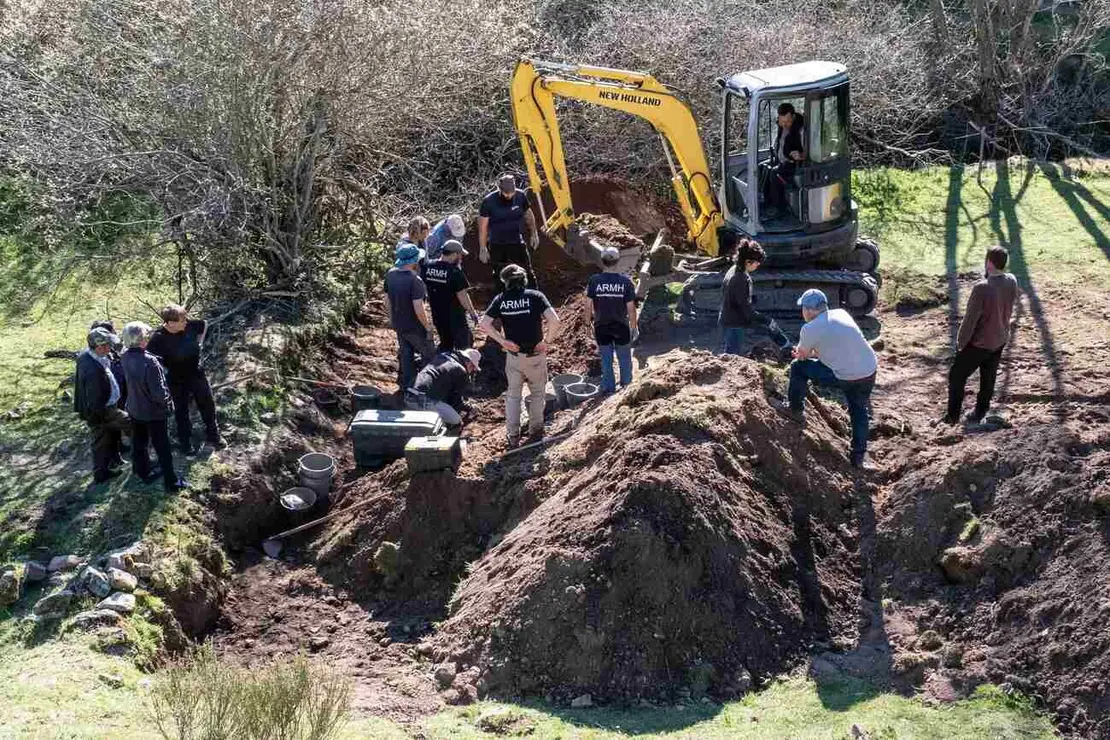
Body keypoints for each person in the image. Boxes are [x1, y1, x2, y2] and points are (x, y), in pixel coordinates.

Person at [782, 289, 877, 468]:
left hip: (846, 376)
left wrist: (800, 353)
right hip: (869, 369)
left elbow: (802, 356)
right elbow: (838, 343)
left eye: (803, 308)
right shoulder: (842, 313)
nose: (802, 312)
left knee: (798, 368)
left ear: (809, 310)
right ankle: (859, 456)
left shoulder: (809, 329)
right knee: (859, 409)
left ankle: (795, 409)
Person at [478, 264, 562, 447]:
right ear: (523, 279)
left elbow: (484, 324)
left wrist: (502, 341)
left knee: (513, 396)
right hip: (535, 356)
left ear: (505, 282)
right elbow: (555, 321)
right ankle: (535, 432)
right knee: (538, 394)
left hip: (513, 357)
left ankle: (513, 435)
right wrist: (546, 342)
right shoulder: (536, 296)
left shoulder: (501, 300)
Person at [943, 245, 1019, 424]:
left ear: (989, 262)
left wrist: (961, 343)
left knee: (956, 376)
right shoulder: (1012, 280)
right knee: (988, 377)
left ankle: (952, 417)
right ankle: (980, 411)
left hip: (980, 343)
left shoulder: (981, 288)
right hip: (1000, 339)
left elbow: (970, 320)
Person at [147, 304, 225, 455]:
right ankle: (186, 443)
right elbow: (150, 358)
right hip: (176, 379)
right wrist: (164, 371)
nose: (186, 322)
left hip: (196, 372)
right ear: (170, 323)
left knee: (207, 404)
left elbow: (204, 324)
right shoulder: (158, 338)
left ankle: (213, 435)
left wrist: (199, 343)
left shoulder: (190, 326)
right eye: (182, 320)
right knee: (181, 412)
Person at [120, 322, 186, 492]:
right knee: (162, 446)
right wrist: (168, 405)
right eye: (146, 336)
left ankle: (142, 471)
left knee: (139, 442)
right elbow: (159, 393)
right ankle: (171, 482)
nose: (148, 339)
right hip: (153, 412)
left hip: (134, 408)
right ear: (141, 339)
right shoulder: (150, 362)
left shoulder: (125, 356)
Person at [75, 327, 130, 484]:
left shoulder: (89, 356)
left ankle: (106, 469)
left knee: (104, 440)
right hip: (102, 411)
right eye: (107, 345)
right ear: (99, 347)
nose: (110, 348)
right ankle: (143, 462)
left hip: (103, 409)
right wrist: (100, 418)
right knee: (134, 425)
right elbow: (94, 398)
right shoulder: (92, 369)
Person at [718, 239, 791, 356]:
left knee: (733, 351)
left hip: (730, 317)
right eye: (757, 262)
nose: (758, 265)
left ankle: (783, 347)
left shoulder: (735, 270)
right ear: (748, 261)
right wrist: (764, 319)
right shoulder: (739, 278)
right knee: (732, 356)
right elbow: (744, 308)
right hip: (733, 322)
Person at [585, 247, 638, 394]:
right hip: (621, 326)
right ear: (617, 261)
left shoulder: (594, 281)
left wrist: (586, 324)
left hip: (601, 326)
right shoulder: (626, 282)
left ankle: (609, 389)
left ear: (602, 261)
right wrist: (634, 327)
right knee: (624, 358)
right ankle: (626, 387)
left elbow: (588, 305)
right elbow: (631, 308)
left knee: (606, 359)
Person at [384, 243, 436, 390]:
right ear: (414, 261)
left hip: (399, 324)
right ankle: (426, 388)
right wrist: (427, 327)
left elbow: (386, 300)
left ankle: (407, 387)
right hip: (415, 326)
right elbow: (418, 308)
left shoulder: (390, 274)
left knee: (406, 356)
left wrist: (392, 318)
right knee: (429, 355)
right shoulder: (415, 281)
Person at [478, 174, 540, 291]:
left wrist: (534, 233)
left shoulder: (520, 196)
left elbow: (528, 215)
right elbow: (483, 226)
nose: (509, 195)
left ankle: (534, 296)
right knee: (500, 275)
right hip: (497, 244)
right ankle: (502, 301)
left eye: (511, 192)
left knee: (527, 270)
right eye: (506, 193)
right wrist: (482, 248)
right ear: (499, 189)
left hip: (516, 241)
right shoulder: (489, 202)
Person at [422, 239, 480, 351]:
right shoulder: (454, 272)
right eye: (460, 255)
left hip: (437, 314)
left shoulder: (428, 267)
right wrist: (472, 313)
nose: (461, 258)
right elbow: (462, 296)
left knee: (446, 344)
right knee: (463, 347)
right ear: (453, 255)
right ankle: (462, 367)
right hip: (455, 316)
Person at [406, 348, 481, 430]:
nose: (472, 371)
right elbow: (454, 401)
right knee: (455, 421)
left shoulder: (443, 356)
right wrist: (469, 408)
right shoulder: (461, 371)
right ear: (469, 363)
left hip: (408, 396)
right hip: (423, 400)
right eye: (473, 368)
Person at [764, 102, 806, 217]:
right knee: (764, 168)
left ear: (793, 116)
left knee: (774, 173)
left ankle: (779, 209)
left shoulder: (802, 129)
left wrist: (801, 155)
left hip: (796, 164)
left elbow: (812, 151)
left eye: (787, 122)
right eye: (782, 121)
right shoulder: (782, 125)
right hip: (782, 159)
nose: (784, 125)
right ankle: (767, 203)